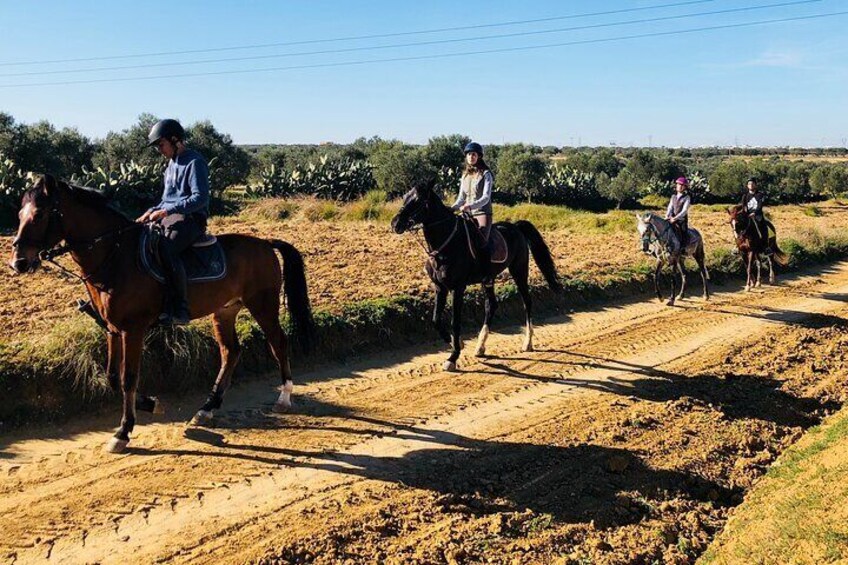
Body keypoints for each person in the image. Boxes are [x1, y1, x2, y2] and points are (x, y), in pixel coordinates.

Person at [136, 119, 210, 325]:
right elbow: (165, 199)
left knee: (166, 248)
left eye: (161, 145)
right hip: (170, 216)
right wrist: (148, 213)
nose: (160, 150)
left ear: (175, 140)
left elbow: (199, 198)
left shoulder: (194, 162)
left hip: (191, 219)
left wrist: (166, 211)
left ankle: (180, 308)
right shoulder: (170, 165)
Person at [451, 142, 495, 282]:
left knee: (481, 241)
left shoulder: (486, 174)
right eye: (469, 154)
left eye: (474, 154)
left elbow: (486, 197)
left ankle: (487, 275)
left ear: (479, 156)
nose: (471, 157)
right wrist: (450, 209)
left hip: (482, 213)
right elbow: (460, 199)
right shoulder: (464, 176)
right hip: (467, 213)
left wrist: (470, 206)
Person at [740, 177, 773, 250]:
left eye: (752, 184)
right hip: (748, 216)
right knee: (739, 227)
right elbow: (744, 206)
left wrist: (754, 213)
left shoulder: (760, 195)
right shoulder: (745, 196)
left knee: (763, 227)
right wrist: (746, 212)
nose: (751, 185)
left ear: (755, 185)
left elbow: (760, 205)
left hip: (757, 216)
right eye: (749, 184)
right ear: (747, 186)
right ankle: (738, 245)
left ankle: (766, 246)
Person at [666, 176, 691, 250]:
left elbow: (684, 211)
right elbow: (670, 208)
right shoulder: (673, 197)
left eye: (681, 185)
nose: (679, 186)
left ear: (684, 187)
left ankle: (683, 249)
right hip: (671, 218)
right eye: (678, 184)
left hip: (681, 220)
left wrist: (675, 218)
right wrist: (667, 215)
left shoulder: (687, 197)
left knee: (683, 233)